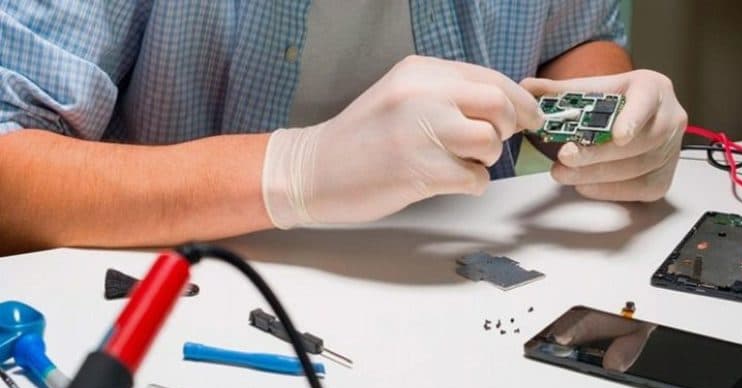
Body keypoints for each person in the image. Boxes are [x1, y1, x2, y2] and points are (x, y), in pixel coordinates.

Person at [0, 1, 687, 255]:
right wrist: (295, 170)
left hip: (463, 291)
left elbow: (577, 34)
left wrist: (605, 113)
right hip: (196, 296)